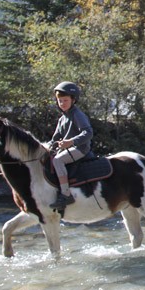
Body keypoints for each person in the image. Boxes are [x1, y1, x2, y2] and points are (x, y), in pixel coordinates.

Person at [48, 81, 93, 210]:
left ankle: (66, 195)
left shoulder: (77, 114)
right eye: (60, 101)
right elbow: (55, 138)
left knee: (57, 161)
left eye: (65, 100)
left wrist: (71, 142)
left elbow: (88, 132)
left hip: (80, 148)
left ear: (73, 100)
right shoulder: (62, 118)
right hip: (68, 148)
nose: (62, 104)